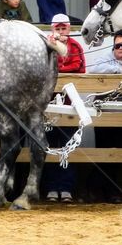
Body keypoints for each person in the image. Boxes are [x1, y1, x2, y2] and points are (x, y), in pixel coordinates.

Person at [85, 34, 122, 203]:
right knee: (104, 152)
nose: (120, 49)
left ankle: (93, 184)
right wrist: (120, 70)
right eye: (117, 46)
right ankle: (110, 191)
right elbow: (95, 68)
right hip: (105, 113)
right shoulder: (105, 57)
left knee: (119, 152)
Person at [41, 14, 85, 203]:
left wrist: (60, 72)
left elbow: (78, 67)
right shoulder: (46, 46)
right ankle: (51, 187)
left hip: (70, 105)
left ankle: (66, 188)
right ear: (52, 29)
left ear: (69, 29)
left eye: (63, 28)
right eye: (57, 29)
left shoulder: (75, 46)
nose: (60, 32)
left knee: (69, 146)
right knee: (49, 146)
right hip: (49, 106)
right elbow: (45, 69)